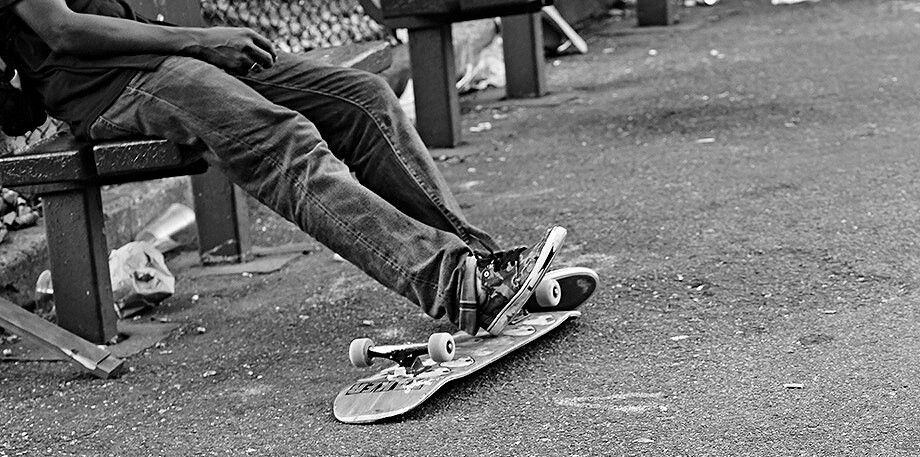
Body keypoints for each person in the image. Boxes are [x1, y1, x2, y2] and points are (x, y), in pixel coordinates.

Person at [0, 0, 538, 334]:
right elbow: (61, 29)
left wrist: (197, 47)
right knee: (283, 141)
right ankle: (449, 283)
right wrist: (201, 40)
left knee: (362, 99)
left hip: (167, 60)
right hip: (111, 87)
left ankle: (479, 265)